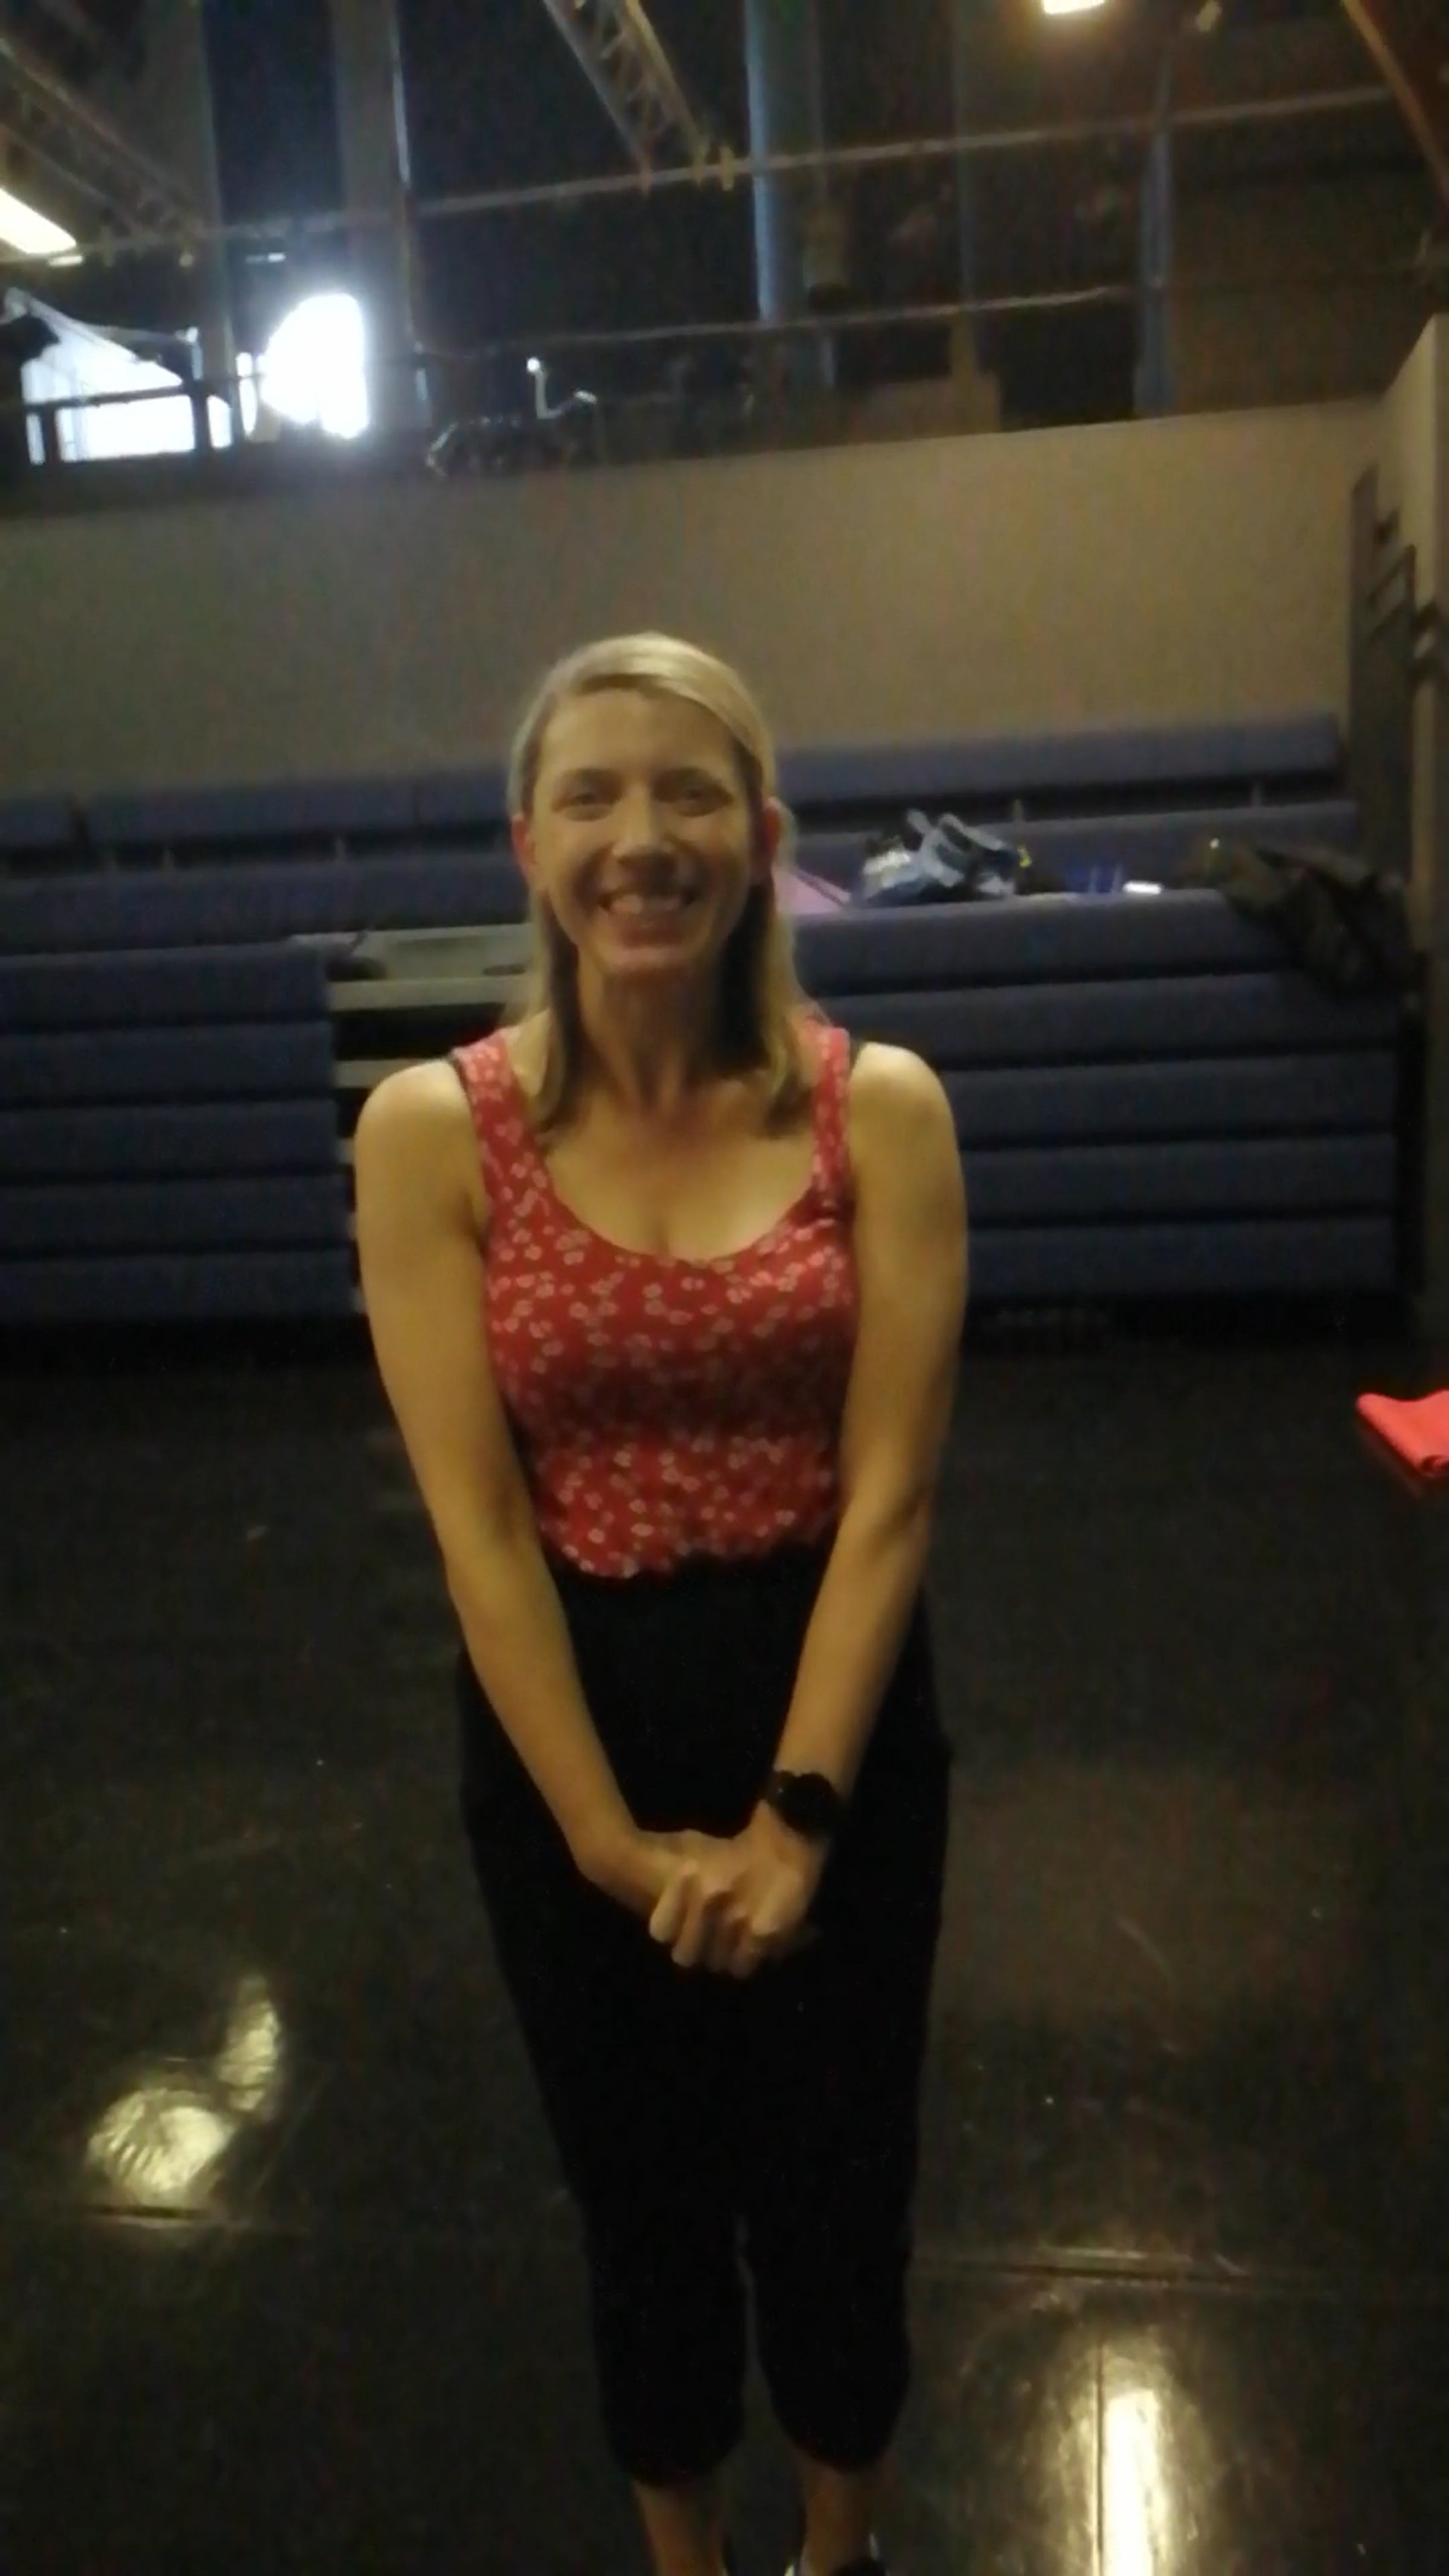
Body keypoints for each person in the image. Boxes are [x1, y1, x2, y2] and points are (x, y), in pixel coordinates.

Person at [354, 633, 968, 2576]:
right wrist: (612, 1847)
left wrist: (798, 1820)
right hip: (572, 1720)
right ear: (530, 848)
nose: (643, 836)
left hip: (831, 1700)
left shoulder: (882, 1111)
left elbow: (891, 1496)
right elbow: (480, 1529)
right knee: (641, 2207)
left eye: (691, 792)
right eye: (595, 797)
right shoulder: (431, 1132)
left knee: (839, 2192)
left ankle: (837, 2552)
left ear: (763, 838)